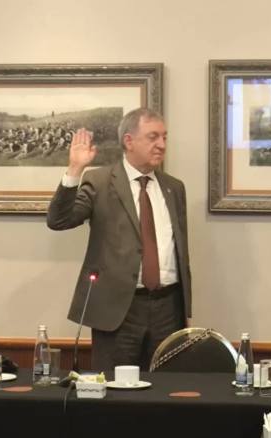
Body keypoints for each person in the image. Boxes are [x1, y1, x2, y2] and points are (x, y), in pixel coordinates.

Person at [47, 108, 191, 371]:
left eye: (164, 137)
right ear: (129, 141)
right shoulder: (99, 181)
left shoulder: (174, 187)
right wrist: (75, 169)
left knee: (167, 387)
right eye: (153, 137)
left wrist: (183, 309)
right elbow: (59, 220)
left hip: (168, 309)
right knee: (115, 389)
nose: (162, 145)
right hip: (118, 311)